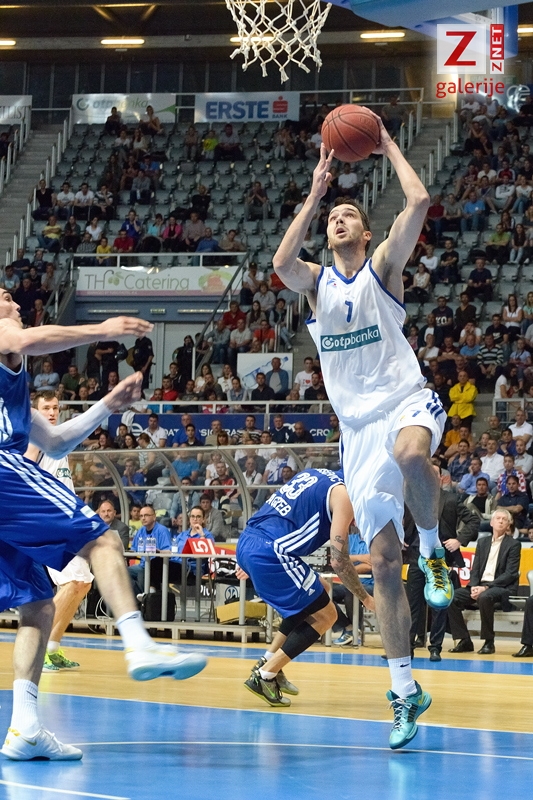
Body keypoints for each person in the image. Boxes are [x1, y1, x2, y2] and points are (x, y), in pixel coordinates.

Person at [272, 124, 452, 749]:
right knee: (381, 563)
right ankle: (404, 691)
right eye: (334, 218)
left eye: (350, 214)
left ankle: (434, 548)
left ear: (368, 232)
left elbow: (419, 201)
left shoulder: (382, 268)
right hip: (356, 430)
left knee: (412, 454)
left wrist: (386, 145)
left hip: (405, 400)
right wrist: (315, 195)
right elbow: (280, 265)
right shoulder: (317, 283)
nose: (340, 220)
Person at [0, 299, 207, 760]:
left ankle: (25, 728)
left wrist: (108, 405)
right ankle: (138, 643)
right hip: (3, 471)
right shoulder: (6, 337)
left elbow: (55, 441)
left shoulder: (10, 393)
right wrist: (103, 329)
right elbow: (23, 339)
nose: (13, 302)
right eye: (5, 297)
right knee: (104, 538)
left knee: (37, 605)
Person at [237, 469, 374, 707]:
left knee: (321, 588)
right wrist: (366, 599)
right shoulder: (345, 496)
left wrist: (251, 556)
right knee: (327, 616)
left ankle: (268, 661)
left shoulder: (316, 474)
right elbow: (339, 561)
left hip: (250, 540)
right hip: (271, 552)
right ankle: (266, 675)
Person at [25, 390, 94, 672]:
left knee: (83, 583)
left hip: (67, 520)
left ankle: (51, 648)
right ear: (35, 411)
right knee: (75, 581)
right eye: (46, 408)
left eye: (55, 407)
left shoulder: (56, 439)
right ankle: (38, 648)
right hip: (48, 521)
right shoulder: (35, 438)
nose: (52, 412)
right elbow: (25, 471)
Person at [447, 509, 521, 654]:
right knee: (451, 597)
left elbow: (510, 574)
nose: (501, 521)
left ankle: (489, 642)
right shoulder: (482, 542)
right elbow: (475, 569)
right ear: (491, 522)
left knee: (485, 597)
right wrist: (474, 586)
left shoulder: (514, 544)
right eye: (498, 518)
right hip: (480, 586)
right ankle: (465, 640)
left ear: (508, 524)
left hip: (502, 588)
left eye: (504, 519)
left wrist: (486, 587)